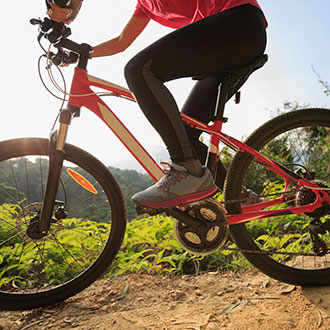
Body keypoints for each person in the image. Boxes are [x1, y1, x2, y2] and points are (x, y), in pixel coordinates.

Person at [47, 0, 267, 209]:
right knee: (185, 134)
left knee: (138, 69)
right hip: (228, 46)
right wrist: (80, 54)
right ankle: (238, 196)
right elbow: (121, 42)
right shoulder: (145, 6)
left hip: (239, 25)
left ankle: (186, 170)